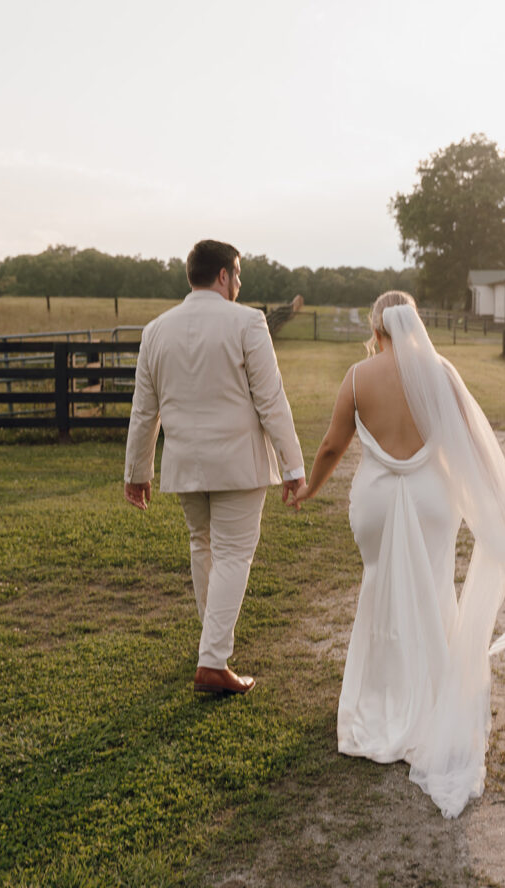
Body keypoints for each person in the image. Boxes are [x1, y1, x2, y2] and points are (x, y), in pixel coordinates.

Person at [292, 291, 505, 817]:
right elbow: (472, 445)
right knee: (434, 589)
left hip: (376, 500)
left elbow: (332, 445)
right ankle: (432, 704)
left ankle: (379, 702)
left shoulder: (359, 376)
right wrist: (502, 505)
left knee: (380, 589)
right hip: (431, 501)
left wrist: (309, 488)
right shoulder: (441, 374)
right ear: (415, 322)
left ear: (377, 328)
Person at [124, 239, 304, 696]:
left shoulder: (156, 329)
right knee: (232, 554)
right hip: (238, 463)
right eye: (237, 275)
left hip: (185, 463)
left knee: (201, 544)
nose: (239, 284)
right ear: (222, 275)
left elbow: (145, 410)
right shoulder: (248, 321)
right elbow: (271, 400)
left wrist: (137, 471)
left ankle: (212, 645)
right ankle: (212, 659)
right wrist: (293, 465)